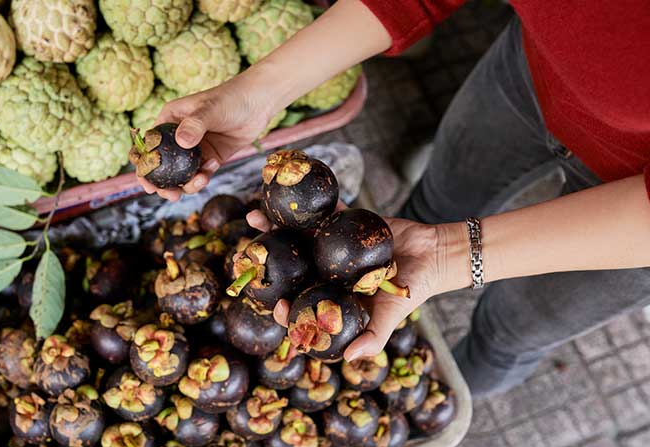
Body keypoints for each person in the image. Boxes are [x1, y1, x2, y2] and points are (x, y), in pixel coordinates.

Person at [141, 0, 650, 396]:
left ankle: (455, 388)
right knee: (433, 203)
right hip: (528, 72)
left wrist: (455, 255)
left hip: (632, 223)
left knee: (511, 328)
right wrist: (260, 92)